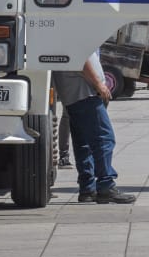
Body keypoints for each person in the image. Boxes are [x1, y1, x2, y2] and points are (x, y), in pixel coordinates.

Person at [53, 51, 136, 203]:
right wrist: (99, 85)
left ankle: (87, 188)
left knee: (83, 144)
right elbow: (79, 58)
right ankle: (106, 185)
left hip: (73, 95)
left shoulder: (64, 31)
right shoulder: (75, 31)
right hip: (85, 94)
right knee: (104, 139)